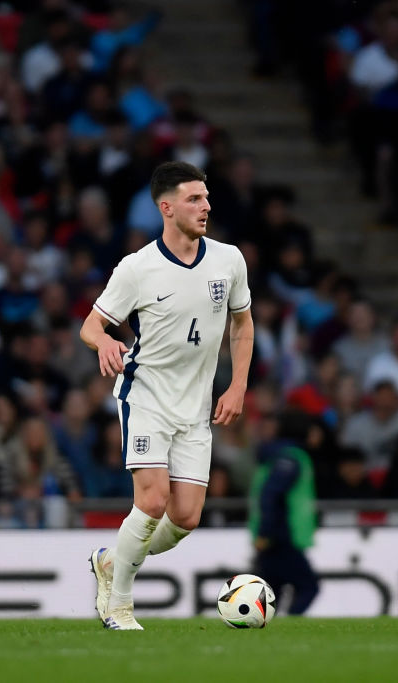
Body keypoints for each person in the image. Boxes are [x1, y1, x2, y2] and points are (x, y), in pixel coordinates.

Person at [80, 162, 254, 630]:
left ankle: (112, 560)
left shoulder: (228, 260)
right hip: (147, 397)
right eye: (195, 199)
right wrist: (107, 341)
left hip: (195, 407)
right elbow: (90, 325)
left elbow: (242, 324)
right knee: (152, 501)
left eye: (207, 196)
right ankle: (119, 605)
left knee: (185, 518)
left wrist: (237, 385)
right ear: (167, 207)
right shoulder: (137, 268)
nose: (206, 206)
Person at [249, 413, 319, 615]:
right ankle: (291, 623)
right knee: (309, 586)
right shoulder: (290, 458)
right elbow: (270, 495)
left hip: (273, 534)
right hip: (282, 535)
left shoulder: (278, 456)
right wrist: (266, 532)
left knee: (272, 593)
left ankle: (262, 633)